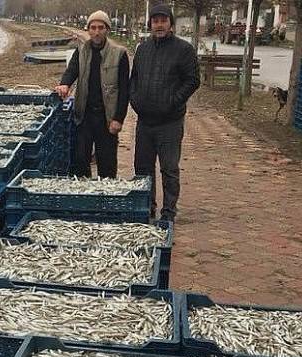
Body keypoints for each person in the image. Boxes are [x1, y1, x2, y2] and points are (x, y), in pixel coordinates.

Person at [129, 4, 200, 222]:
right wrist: (136, 100)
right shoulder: (143, 49)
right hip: (145, 121)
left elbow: (193, 81)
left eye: (163, 21)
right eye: (155, 21)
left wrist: (173, 101)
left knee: (169, 169)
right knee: (142, 167)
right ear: (150, 24)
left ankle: (168, 211)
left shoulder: (184, 50)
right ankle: (146, 206)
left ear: (171, 24)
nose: (159, 25)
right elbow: (135, 79)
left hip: (170, 122)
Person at [55, 10, 129, 178]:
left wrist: (118, 118)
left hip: (106, 118)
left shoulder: (119, 54)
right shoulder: (81, 51)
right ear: (88, 29)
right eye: (93, 27)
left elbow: (125, 90)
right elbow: (72, 70)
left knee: (107, 163)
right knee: (81, 160)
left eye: (100, 27)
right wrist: (64, 84)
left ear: (107, 29)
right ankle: (86, 197)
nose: (96, 32)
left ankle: (107, 198)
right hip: (84, 116)